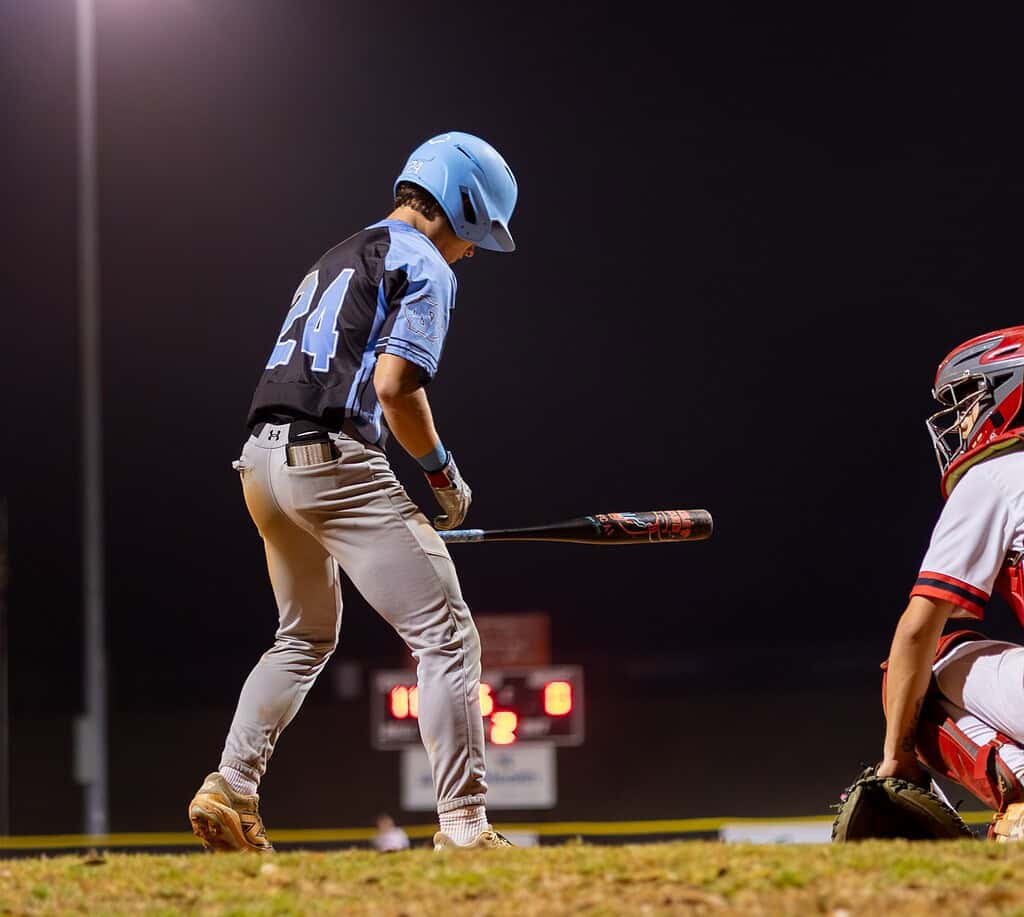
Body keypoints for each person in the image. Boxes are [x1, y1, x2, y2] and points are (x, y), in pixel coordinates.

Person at [187, 131, 518, 853]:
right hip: (329, 458)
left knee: (302, 636)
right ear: (458, 206)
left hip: (259, 464)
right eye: (476, 236)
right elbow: (394, 387)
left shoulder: (341, 250)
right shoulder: (426, 261)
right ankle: (465, 830)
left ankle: (232, 785)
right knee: (445, 633)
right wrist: (441, 472)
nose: (472, 253)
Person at [876, 325, 1024, 838]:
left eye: (968, 400)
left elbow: (917, 631)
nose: (961, 420)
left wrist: (895, 756)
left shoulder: (999, 474)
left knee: (927, 661)